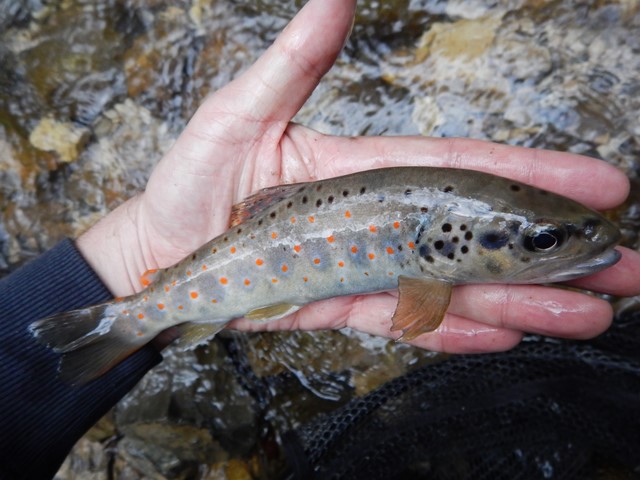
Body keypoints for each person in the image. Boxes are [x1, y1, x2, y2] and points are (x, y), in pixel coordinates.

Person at [1, 0, 639, 478]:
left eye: (543, 242)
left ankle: (110, 319)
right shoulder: (434, 261)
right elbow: (419, 316)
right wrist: (136, 274)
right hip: (201, 280)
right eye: (544, 242)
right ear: (443, 250)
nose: (557, 248)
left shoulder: (437, 257)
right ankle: (121, 321)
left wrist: (123, 264)